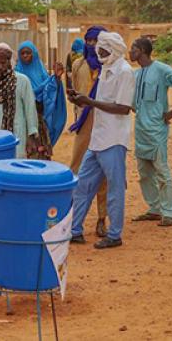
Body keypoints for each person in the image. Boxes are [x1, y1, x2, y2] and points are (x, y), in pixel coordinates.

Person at [68, 31, 135, 249]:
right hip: (97, 138)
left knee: (114, 189)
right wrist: (82, 100)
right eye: (98, 48)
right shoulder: (106, 67)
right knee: (82, 186)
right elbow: (100, 101)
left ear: (114, 50)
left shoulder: (124, 71)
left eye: (103, 48)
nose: (98, 51)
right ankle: (74, 230)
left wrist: (90, 102)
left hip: (114, 140)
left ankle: (114, 235)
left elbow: (123, 108)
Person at [129, 37, 172, 227]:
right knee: (144, 173)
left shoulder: (162, 70)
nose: (130, 52)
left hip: (157, 130)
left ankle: (168, 212)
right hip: (141, 130)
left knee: (161, 171)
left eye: (133, 49)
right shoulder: (136, 74)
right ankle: (154, 209)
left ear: (141, 50)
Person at [67, 26, 110, 237]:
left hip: (104, 127)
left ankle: (102, 219)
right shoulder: (79, 65)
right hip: (84, 126)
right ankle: (72, 218)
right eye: (89, 41)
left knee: (104, 175)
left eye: (96, 41)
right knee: (76, 169)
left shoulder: (109, 67)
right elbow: (75, 93)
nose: (92, 45)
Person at [15, 41, 67, 159]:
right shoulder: (16, 75)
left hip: (39, 123)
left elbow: (49, 92)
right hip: (22, 123)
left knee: (41, 157)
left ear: (34, 54)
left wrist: (57, 79)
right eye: (22, 53)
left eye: (28, 53)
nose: (25, 56)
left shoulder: (43, 74)